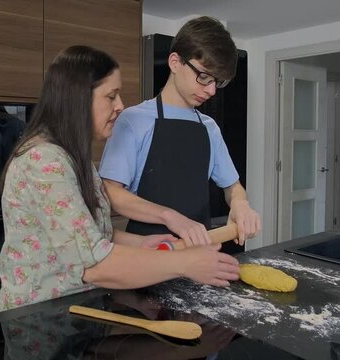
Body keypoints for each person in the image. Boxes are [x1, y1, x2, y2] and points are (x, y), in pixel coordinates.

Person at [0, 45, 240, 313]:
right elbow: (95, 264)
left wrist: (140, 243)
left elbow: (88, 234)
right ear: (77, 99)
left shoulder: (74, 158)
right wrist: (185, 264)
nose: (120, 106)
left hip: (76, 313)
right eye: (111, 96)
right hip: (35, 321)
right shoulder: (44, 162)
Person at [99, 16, 261, 248]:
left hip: (199, 255)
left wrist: (240, 204)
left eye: (218, 82)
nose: (212, 90)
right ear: (175, 62)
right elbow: (111, 194)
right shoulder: (133, 120)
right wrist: (170, 216)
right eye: (204, 76)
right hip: (148, 255)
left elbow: (232, 186)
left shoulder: (209, 128)